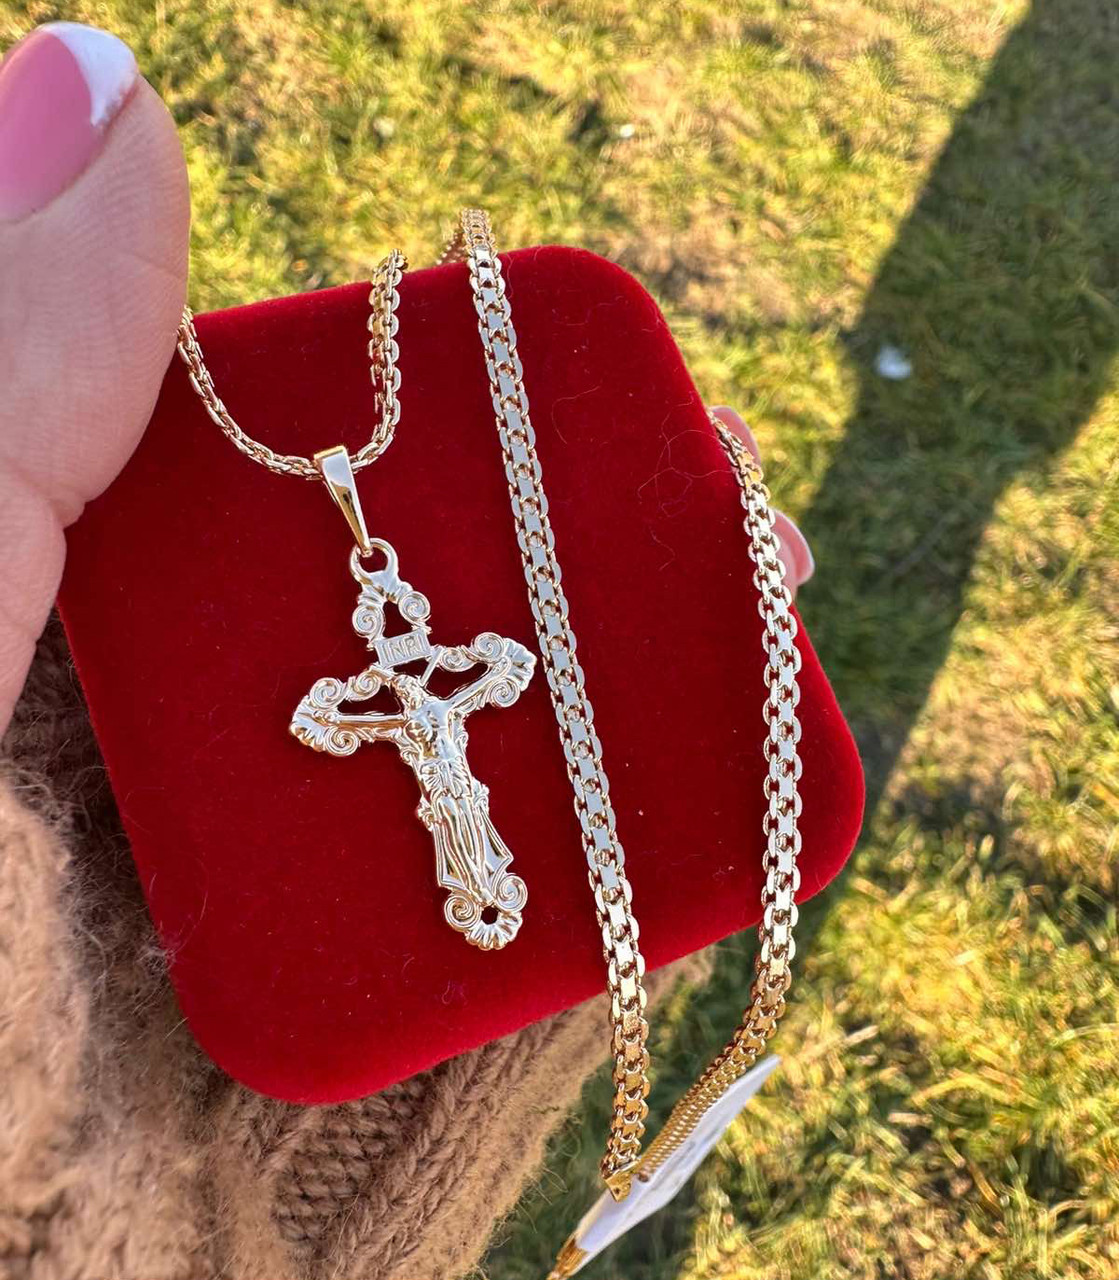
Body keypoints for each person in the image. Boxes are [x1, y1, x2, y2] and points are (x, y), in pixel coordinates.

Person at [0, 21, 815, 1279]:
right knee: (462, 808)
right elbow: (340, 714)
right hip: (429, 787)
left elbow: (503, 669)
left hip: (454, 788)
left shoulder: (454, 674)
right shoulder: (389, 696)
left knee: (476, 819)